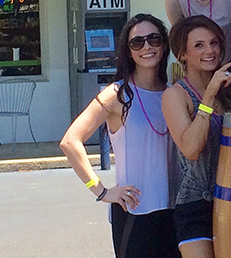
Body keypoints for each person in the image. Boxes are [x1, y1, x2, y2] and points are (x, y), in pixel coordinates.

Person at [60, 14, 180, 258]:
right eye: (137, 42)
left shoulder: (175, 94)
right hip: (135, 212)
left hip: (174, 211)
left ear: (164, 44)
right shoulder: (117, 94)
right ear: (128, 51)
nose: (146, 47)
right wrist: (102, 192)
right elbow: (70, 141)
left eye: (154, 39)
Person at [162, 16, 231, 258]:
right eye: (199, 45)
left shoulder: (228, 94)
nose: (210, 51)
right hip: (196, 203)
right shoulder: (175, 95)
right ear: (182, 54)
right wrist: (208, 97)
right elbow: (191, 149)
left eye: (214, 43)